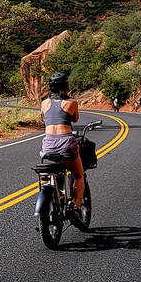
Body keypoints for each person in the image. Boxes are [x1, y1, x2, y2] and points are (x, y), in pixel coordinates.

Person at [40, 71, 85, 213]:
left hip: (48, 145)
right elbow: (75, 119)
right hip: (66, 143)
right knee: (78, 175)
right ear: (65, 87)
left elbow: (44, 120)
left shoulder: (44, 103)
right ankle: (76, 207)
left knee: (53, 171)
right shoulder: (71, 103)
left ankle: (57, 197)